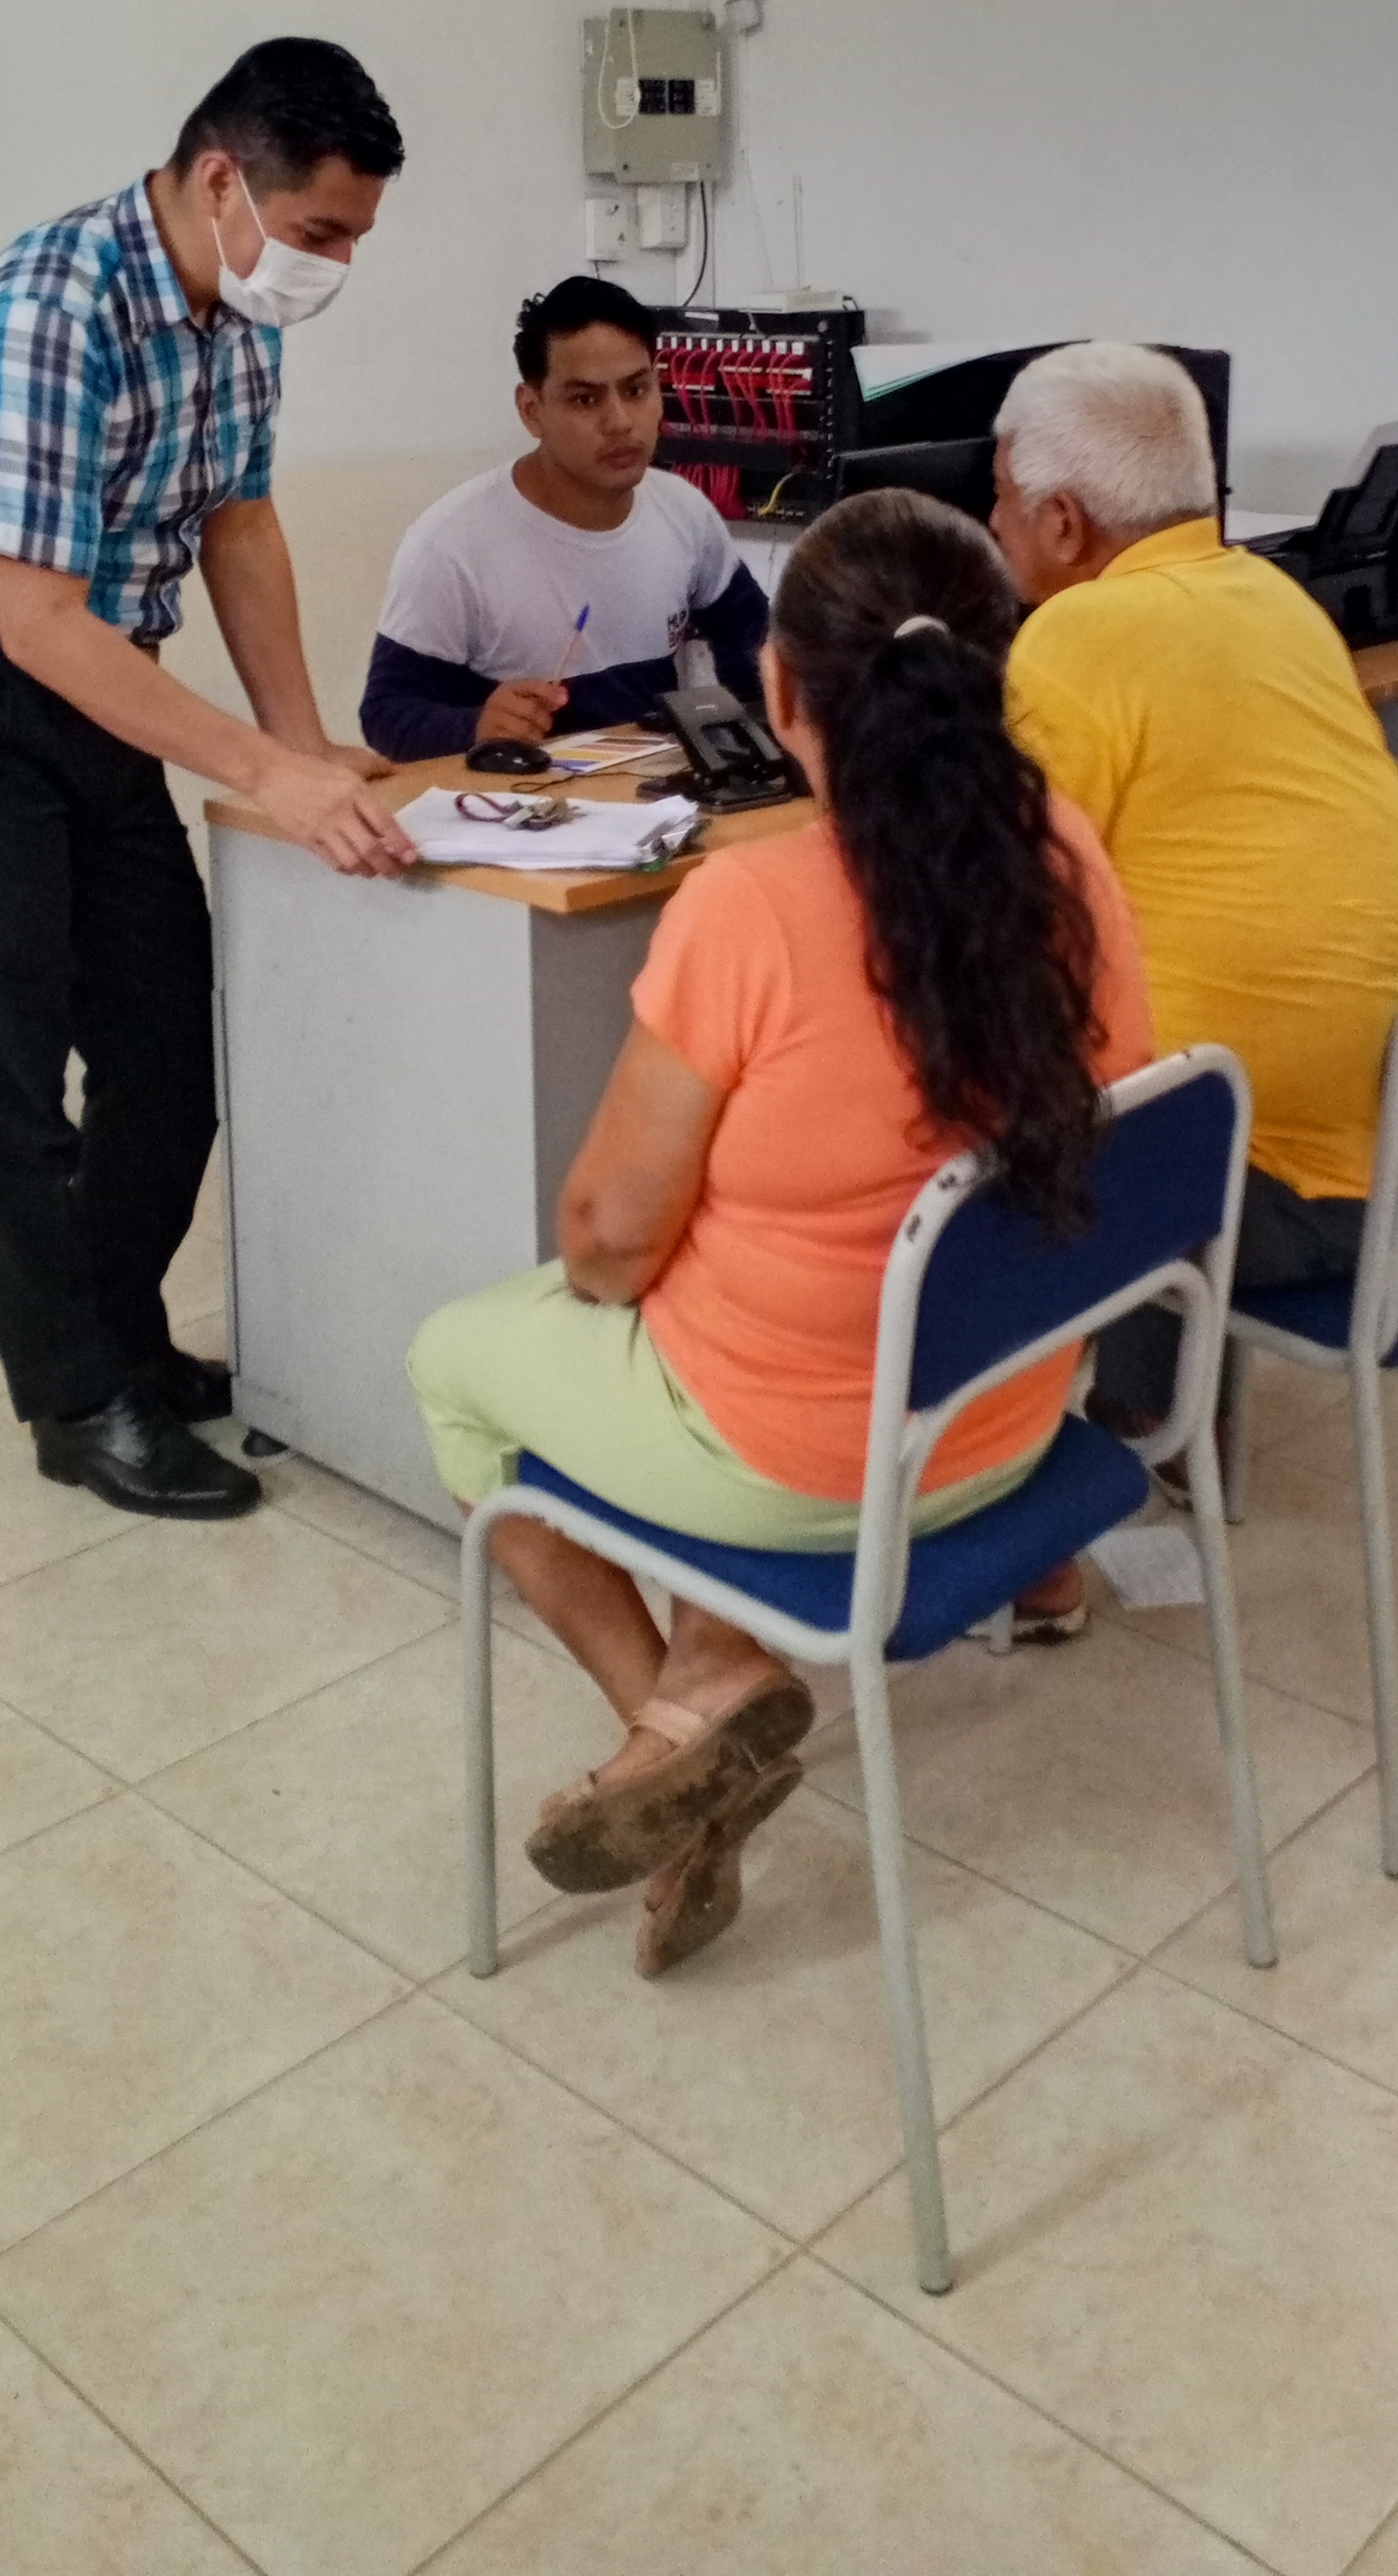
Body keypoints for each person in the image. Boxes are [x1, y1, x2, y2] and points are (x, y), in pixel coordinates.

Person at [409, 487, 1154, 1979]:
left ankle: (681, 1724)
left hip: (810, 1471)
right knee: (711, 1303)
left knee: (457, 1360)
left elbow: (606, 1244)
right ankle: (705, 1694)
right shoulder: (1067, 849)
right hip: (1013, 1417)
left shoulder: (748, 903)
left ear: (781, 690)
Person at [0, 36, 418, 1525]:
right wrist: (257, 765)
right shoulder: (51, 311)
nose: (335, 265)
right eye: (322, 229)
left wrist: (303, 739)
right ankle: (79, 1402)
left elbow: (240, 525)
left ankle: (121, 1338)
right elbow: (32, 618)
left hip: (100, 682)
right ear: (223, 181)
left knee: (168, 1046)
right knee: (13, 1073)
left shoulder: (233, 308)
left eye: (356, 236)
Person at [990, 339, 1398, 1489]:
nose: (992, 522)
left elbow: (1006, 898)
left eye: (1002, 494)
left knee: (1015, 1141)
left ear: (1064, 522)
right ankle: (1164, 1428)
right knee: (1163, 1035)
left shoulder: (1076, 634)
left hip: (1327, 1200)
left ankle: (1066, 1474)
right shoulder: (1274, 597)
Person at [360, 274, 769, 760]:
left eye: (637, 390)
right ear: (532, 410)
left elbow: (761, 646)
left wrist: (761, 741)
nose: (620, 421)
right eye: (585, 399)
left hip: (654, 791)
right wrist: (473, 725)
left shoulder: (684, 511)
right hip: (520, 798)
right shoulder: (451, 546)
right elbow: (385, 714)